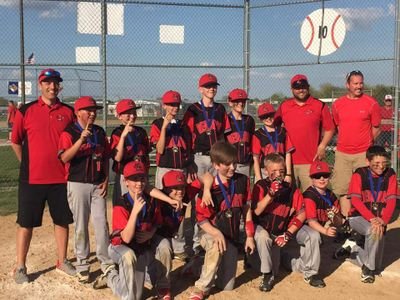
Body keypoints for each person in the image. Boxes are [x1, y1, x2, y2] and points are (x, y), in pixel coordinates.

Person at [11, 68, 76, 284]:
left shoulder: (68, 111)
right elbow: (15, 141)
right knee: (26, 223)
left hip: (60, 178)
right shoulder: (26, 110)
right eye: (47, 83)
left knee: (62, 221)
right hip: (32, 179)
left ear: (59, 86)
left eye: (56, 83)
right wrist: (27, 164)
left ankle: (62, 260)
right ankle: (21, 266)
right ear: (40, 85)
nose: (52, 86)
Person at [189, 141, 255, 300]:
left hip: (230, 238)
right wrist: (216, 232)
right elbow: (202, 219)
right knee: (214, 244)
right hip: (210, 234)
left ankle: (197, 264)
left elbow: (246, 209)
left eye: (234, 162)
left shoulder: (243, 181)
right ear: (216, 165)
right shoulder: (209, 188)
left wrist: (250, 235)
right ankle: (201, 287)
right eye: (227, 164)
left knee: (227, 285)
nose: (233, 167)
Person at [58, 96, 114, 283]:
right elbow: (65, 158)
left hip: (97, 184)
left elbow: (105, 157)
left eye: (95, 110)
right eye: (88, 110)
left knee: (101, 224)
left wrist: (106, 179)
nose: (92, 113)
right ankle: (83, 264)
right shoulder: (69, 132)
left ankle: (106, 263)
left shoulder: (99, 131)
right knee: (81, 225)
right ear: (78, 112)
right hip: (77, 183)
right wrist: (80, 141)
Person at [104, 161, 173, 300]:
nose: (139, 183)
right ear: (125, 181)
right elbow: (126, 238)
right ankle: (110, 275)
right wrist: (134, 212)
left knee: (164, 244)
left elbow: (157, 223)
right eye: (134, 179)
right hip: (122, 248)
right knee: (133, 295)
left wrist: (151, 233)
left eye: (142, 178)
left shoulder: (151, 200)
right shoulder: (121, 203)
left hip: (141, 249)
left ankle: (162, 285)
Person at [333, 146, 397, 283]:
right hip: (358, 216)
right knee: (372, 231)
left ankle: (352, 249)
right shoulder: (360, 173)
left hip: (378, 219)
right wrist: (373, 219)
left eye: (384, 163)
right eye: (376, 164)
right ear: (368, 162)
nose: (381, 167)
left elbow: (391, 201)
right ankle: (368, 270)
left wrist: (384, 220)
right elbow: (355, 201)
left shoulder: (390, 174)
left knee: (378, 265)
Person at [251, 153, 305, 292]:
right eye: (273, 171)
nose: (278, 174)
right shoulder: (261, 185)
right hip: (260, 228)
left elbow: (302, 213)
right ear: (266, 171)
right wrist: (270, 195)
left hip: (277, 233)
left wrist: (287, 234)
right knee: (263, 239)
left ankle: (263, 263)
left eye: (281, 171)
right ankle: (266, 275)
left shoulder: (290, 188)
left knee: (275, 268)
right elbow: (255, 212)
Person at [331, 71, 381, 219]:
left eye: (361, 83)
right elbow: (336, 126)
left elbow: (376, 127)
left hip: (363, 154)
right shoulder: (338, 104)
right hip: (343, 154)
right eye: (355, 83)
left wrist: (367, 144)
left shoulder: (371, 103)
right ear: (348, 85)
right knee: (344, 190)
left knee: (364, 190)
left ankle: (364, 221)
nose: (359, 86)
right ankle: (347, 223)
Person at [275, 74, 335, 191]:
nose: (301, 90)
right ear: (291, 89)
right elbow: (274, 127)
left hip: (310, 161)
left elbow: (330, 129)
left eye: (303, 86)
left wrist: (322, 146)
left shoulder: (319, 105)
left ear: (308, 87)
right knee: (288, 199)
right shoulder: (285, 106)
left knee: (311, 196)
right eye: (297, 88)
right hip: (287, 163)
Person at [286, 161, 340, 288]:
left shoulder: (331, 196)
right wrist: (325, 231)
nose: (321, 178)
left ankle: (288, 261)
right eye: (317, 176)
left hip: (311, 228)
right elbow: (311, 222)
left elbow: (339, 222)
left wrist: (336, 216)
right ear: (311, 179)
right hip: (298, 227)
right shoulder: (310, 195)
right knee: (314, 236)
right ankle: (311, 274)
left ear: (329, 177)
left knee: (313, 241)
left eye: (325, 175)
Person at [183, 73, 231, 176]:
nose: (211, 89)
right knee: (197, 188)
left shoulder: (220, 109)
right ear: (200, 89)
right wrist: (189, 160)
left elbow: (223, 135)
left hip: (216, 157)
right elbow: (187, 136)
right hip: (198, 157)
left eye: (214, 86)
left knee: (216, 188)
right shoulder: (193, 109)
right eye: (208, 86)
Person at [150, 90, 194, 188]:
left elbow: (188, 150)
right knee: (163, 200)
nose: (175, 107)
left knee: (181, 198)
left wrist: (189, 166)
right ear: (164, 105)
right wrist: (164, 127)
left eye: (177, 104)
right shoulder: (157, 124)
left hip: (181, 168)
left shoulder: (183, 125)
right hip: (165, 168)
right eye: (171, 104)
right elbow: (160, 150)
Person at [110, 99, 151, 204]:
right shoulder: (117, 133)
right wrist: (123, 136)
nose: (132, 116)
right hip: (126, 177)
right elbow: (117, 158)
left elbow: (146, 152)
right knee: (126, 203)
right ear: (119, 116)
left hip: (141, 174)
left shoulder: (141, 132)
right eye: (128, 113)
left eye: (134, 113)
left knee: (143, 202)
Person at [252, 102, 294, 183]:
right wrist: (259, 178)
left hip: (280, 171)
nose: (268, 118)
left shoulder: (282, 131)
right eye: (264, 117)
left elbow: (288, 153)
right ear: (260, 119)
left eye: (270, 115)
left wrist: (288, 174)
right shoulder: (258, 134)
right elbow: (256, 158)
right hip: (265, 171)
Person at [225, 88, 255, 177]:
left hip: (245, 162)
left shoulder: (249, 120)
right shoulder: (225, 119)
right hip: (229, 163)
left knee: (243, 187)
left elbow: (252, 141)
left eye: (243, 101)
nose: (241, 103)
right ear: (230, 102)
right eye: (237, 101)